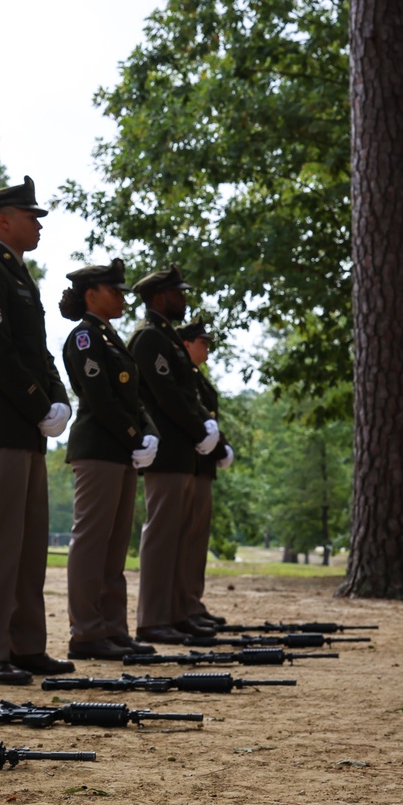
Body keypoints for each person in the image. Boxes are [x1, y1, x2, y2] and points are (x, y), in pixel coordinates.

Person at [0, 178, 74, 684]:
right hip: (3, 419)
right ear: (4, 220)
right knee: (2, 541)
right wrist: (36, 403)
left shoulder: (20, 276)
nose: (39, 224)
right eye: (32, 216)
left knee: (29, 542)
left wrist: (60, 397)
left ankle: (25, 645)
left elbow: (39, 351)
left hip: (26, 424)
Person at [60, 259, 160, 658]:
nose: (121, 297)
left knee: (115, 546)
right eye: (114, 291)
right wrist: (137, 435)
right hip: (99, 448)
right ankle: (85, 632)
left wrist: (147, 431)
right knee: (91, 543)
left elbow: (133, 399)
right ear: (91, 294)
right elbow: (100, 397)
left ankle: (112, 628)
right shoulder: (84, 338)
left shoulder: (111, 337)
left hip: (120, 448)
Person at [127, 264, 221, 643]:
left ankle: (176, 612)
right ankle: (153, 618)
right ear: (159, 297)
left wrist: (203, 429)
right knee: (163, 536)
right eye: (177, 293)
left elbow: (185, 395)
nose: (183, 299)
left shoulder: (164, 337)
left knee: (179, 538)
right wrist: (201, 428)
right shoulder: (149, 338)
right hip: (166, 450)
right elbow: (166, 395)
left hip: (182, 451)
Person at [178, 318, 233, 624]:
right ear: (187, 345)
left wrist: (221, 446)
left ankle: (191, 603)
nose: (207, 346)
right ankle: (181, 606)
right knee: (185, 539)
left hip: (203, 463)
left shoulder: (196, 377)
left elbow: (208, 416)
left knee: (196, 540)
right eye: (202, 342)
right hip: (190, 461)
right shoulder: (183, 375)